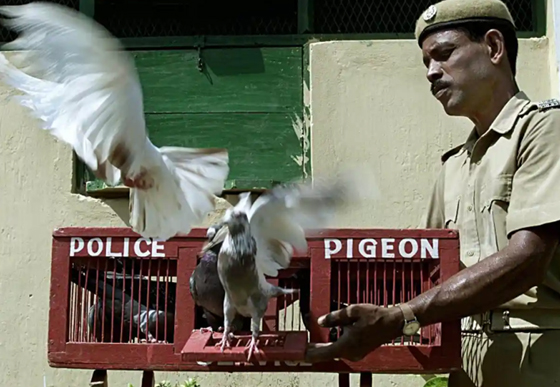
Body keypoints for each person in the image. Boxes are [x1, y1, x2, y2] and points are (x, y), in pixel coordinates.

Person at [304, 0, 560, 385]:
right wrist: (300, 282)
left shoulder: (545, 131)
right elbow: (422, 272)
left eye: (444, 54)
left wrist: (402, 316)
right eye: (426, 62)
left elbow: (527, 259)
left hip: (538, 357)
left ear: (493, 47)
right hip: (465, 361)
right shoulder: (454, 165)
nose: (431, 73)